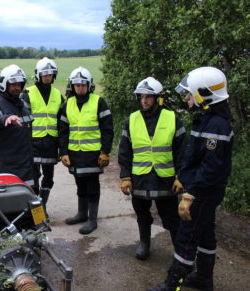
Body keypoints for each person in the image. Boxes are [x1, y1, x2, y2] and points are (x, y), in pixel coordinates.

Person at [147, 67, 233, 291]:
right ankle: (204, 279)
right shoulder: (208, 119)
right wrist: (182, 177)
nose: (186, 97)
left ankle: (172, 284)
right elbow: (195, 157)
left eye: (190, 93)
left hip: (202, 192)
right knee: (204, 232)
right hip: (201, 189)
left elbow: (210, 168)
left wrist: (190, 194)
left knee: (187, 236)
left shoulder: (216, 125)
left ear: (204, 95)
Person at [118, 77, 186, 260]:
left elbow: (182, 152)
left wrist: (181, 177)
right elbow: (124, 152)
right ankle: (145, 244)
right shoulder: (131, 120)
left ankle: (181, 253)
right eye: (142, 97)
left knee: (171, 218)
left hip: (165, 179)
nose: (144, 100)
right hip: (139, 177)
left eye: (149, 97)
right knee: (142, 214)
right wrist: (125, 177)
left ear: (158, 98)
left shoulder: (172, 118)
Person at [59, 67, 114, 235]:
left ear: (89, 86)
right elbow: (63, 130)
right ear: (72, 86)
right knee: (80, 183)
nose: (80, 88)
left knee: (92, 186)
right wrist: (63, 152)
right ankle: (82, 214)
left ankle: (92, 220)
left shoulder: (99, 102)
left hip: (93, 154)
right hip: (75, 154)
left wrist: (105, 151)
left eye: (83, 85)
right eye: (77, 85)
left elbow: (107, 129)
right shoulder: (67, 104)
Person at [21, 57, 64, 210]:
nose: (47, 77)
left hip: (50, 143)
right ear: (38, 75)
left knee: (49, 178)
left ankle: (42, 205)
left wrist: (62, 145)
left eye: (50, 74)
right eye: (45, 74)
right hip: (32, 143)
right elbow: (22, 120)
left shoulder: (58, 94)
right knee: (33, 179)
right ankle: (35, 209)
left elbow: (62, 121)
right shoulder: (28, 93)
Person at [0, 64, 35, 186]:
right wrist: (4, 119)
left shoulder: (20, 104)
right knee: (9, 203)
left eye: (20, 84)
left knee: (29, 202)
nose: (17, 88)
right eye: (13, 84)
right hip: (6, 170)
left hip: (26, 168)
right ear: (4, 84)